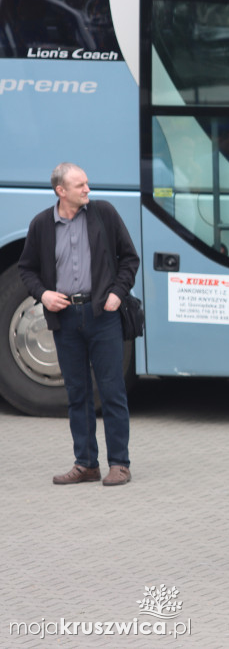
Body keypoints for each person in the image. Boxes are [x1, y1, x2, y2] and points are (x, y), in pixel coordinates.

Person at [19, 162, 140, 486]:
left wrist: (117, 293)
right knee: (77, 393)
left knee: (112, 390)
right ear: (61, 191)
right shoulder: (42, 224)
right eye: (80, 185)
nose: (88, 189)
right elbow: (27, 269)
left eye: (87, 183)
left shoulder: (104, 214)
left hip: (103, 316)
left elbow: (129, 258)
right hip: (66, 320)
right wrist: (43, 294)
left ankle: (120, 464)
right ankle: (86, 463)